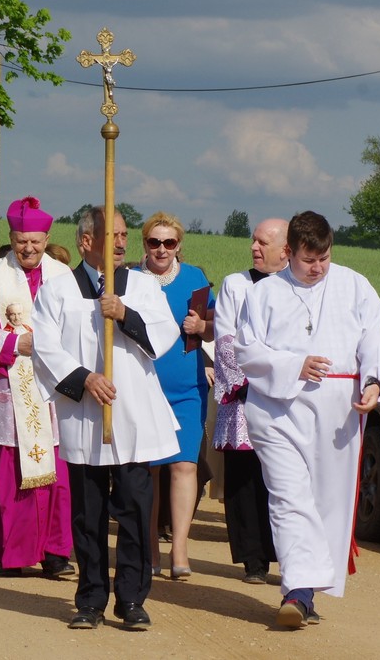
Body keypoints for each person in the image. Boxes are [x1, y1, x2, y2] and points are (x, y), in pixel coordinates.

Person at [234, 211, 380, 628]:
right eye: (309, 260)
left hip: (337, 409)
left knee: (328, 497)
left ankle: (306, 588)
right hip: (276, 409)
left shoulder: (354, 285)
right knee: (289, 496)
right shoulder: (264, 294)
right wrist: (294, 364)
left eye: (324, 258)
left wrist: (375, 382)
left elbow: (374, 336)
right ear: (289, 252)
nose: (318, 268)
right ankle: (297, 590)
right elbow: (247, 352)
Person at [31, 206, 180, 631]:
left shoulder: (144, 286)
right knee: (87, 513)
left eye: (122, 234)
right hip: (85, 415)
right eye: (110, 235)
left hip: (133, 416)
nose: (120, 242)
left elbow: (165, 335)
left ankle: (132, 598)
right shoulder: (59, 290)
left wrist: (125, 315)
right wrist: (85, 378)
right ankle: (91, 598)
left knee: (135, 510)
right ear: (84, 242)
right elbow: (44, 346)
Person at [0, 196, 74, 579]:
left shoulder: (65, 276)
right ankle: (15, 554)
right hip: (8, 387)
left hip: (53, 390)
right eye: (20, 240)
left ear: (47, 238)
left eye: (35, 240)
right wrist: (13, 344)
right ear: (10, 237)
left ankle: (56, 552)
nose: (28, 248)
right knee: (10, 474)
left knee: (57, 475)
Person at [132, 212, 213, 580]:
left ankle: (180, 546)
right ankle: (149, 544)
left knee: (185, 466)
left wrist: (202, 326)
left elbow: (213, 330)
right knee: (148, 471)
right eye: (154, 242)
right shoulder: (130, 279)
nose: (161, 249)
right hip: (143, 386)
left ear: (179, 244)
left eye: (169, 242)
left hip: (187, 388)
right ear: (144, 244)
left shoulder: (196, 278)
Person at [212, 217, 288, 584]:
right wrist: (251, 383)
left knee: (281, 478)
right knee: (244, 480)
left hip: (287, 398)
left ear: (285, 250)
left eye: (263, 243)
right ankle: (252, 558)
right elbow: (226, 337)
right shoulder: (235, 285)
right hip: (243, 395)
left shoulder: (298, 287)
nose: (254, 248)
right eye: (253, 241)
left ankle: (287, 554)